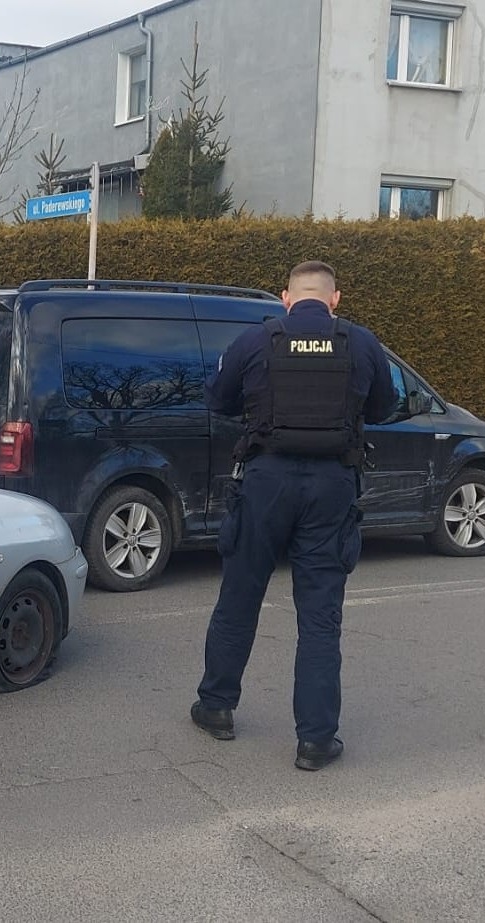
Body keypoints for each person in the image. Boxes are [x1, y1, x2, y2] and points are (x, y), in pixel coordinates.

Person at [190, 261, 398, 770]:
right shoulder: (361, 343)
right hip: (331, 487)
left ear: (285, 297)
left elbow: (218, 400)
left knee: (240, 596)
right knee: (320, 615)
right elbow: (385, 408)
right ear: (335, 298)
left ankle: (216, 707)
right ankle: (316, 740)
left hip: (265, 482)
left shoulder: (256, 340)